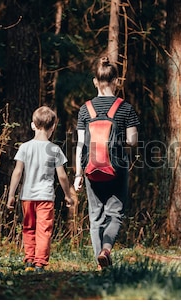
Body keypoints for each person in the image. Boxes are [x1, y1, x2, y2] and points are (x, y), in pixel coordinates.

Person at [74, 56, 139, 271]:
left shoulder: (85, 109)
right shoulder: (125, 108)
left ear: (95, 81)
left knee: (96, 216)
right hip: (117, 166)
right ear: (117, 81)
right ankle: (106, 250)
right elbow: (132, 140)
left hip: (91, 168)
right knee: (115, 213)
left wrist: (77, 174)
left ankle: (100, 266)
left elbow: (80, 144)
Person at [7, 106, 74, 273]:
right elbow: (63, 176)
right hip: (45, 197)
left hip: (27, 196)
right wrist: (67, 195)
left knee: (28, 227)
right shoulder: (55, 149)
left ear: (32, 125)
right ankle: (39, 263)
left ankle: (29, 259)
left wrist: (11, 194)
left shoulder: (25, 147)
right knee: (43, 230)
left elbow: (17, 172)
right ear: (53, 128)